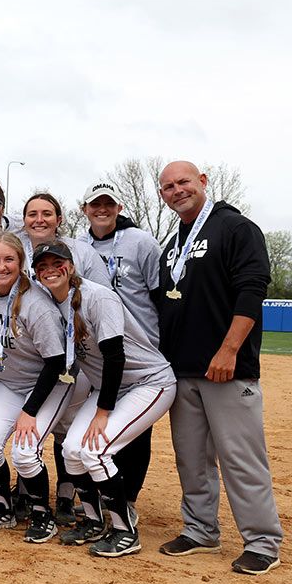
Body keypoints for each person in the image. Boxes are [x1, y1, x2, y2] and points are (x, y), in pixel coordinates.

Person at [154, 160, 283, 575]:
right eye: (169, 186)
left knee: (241, 458)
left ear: (203, 182)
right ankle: (200, 530)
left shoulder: (235, 228)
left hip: (228, 369)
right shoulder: (173, 241)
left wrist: (229, 351)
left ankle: (262, 540)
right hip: (183, 370)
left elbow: (252, 289)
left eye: (184, 182)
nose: (177, 190)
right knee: (191, 459)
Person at [29, 240, 176, 557]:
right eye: (42, 266)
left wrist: (102, 411)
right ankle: (93, 522)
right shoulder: (52, 302)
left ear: (71, 267)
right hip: (110, 387)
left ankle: (126, 531)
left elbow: (114, 357)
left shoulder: (99, 297)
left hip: (148, 383)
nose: (50, 270)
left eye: (57, 264)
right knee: (71, 449)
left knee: (95, 451)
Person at [0, 232, 76, 543]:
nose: (1, 266)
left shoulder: (35, 303)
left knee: (25, 454)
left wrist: (30, 411)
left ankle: (43, 512)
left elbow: (56, 363)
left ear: (21, 262)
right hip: (8, 381)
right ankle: (4, 508)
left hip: (48, 382)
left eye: (9, 260)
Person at [18, 192, 111, 521]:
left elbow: (100, 297)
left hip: (81, 356)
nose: (39, 219)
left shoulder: (82, 251)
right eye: (32, 214)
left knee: (66, 426)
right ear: (24, 218)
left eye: (47, 213)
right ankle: (28, 492)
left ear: (59, 218)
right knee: (38, 425)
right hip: (41, 354)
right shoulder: (18, 248)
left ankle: (65, 494)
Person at [79, 182, 163, 517]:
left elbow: (160, 294)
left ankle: (127, 496)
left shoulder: (140, 241)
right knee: (94, 420)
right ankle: (101, 490)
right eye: (95, 204)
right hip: (94, 350)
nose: (102, 209)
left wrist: (161, 342)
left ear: (119, 207)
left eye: (108, 204)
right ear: (84, 209)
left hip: (139, 344)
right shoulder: (77, 245)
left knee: (135, 428)